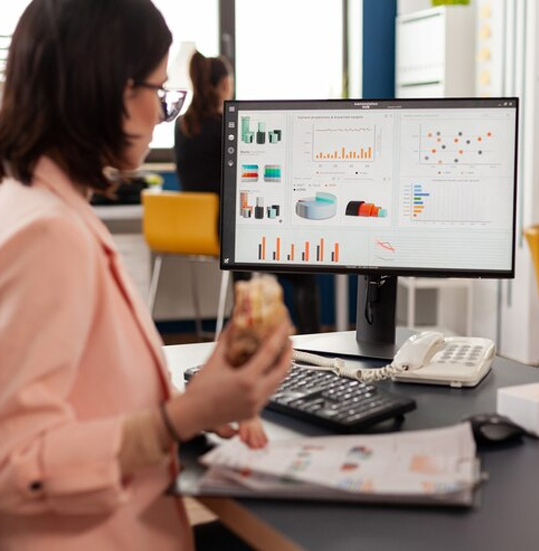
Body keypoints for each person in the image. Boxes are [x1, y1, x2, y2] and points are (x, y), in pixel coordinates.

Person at [0, 1, 292, 550]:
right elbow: (15, 466)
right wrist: (182, 417)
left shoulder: (36, 204)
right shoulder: (49, 236)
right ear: (107, 89)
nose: (162, 112)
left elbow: (80, 396)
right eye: (159, 92)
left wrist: (206, 396)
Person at [174, 51, 321, 335]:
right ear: (225, 84)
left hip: (198, 230)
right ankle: (315, 342)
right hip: (231, 233)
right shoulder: (226, 127)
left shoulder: (182, 126)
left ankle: (245, 325)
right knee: (305, 274)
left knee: (243, 250)